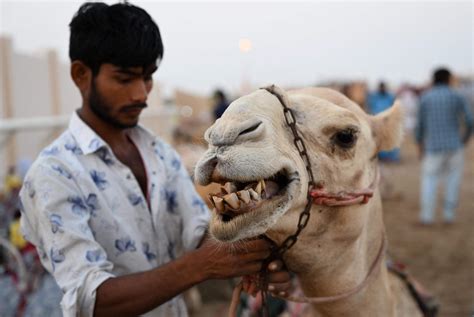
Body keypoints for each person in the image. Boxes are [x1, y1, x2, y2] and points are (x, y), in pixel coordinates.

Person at [18, 3, 290, 316]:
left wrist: (252, 256)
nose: (141, 94)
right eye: (124, 79)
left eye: (147, 78)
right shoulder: (53, 174)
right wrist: (200, 266)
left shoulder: (158, 152)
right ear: (81, 75)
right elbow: (90, 300)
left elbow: (197, 233)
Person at [415, 67, 473, 225]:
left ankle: (427, 216)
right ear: (448, 79)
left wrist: (420, 147)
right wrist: (464, 139)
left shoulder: (425, 98)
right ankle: (449, 215)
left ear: (434, 79)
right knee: (452, 181)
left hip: (432, 148)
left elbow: (419, 126)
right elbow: (470, 121)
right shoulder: (457, 96)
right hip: (455, 146)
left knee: (429, 181)